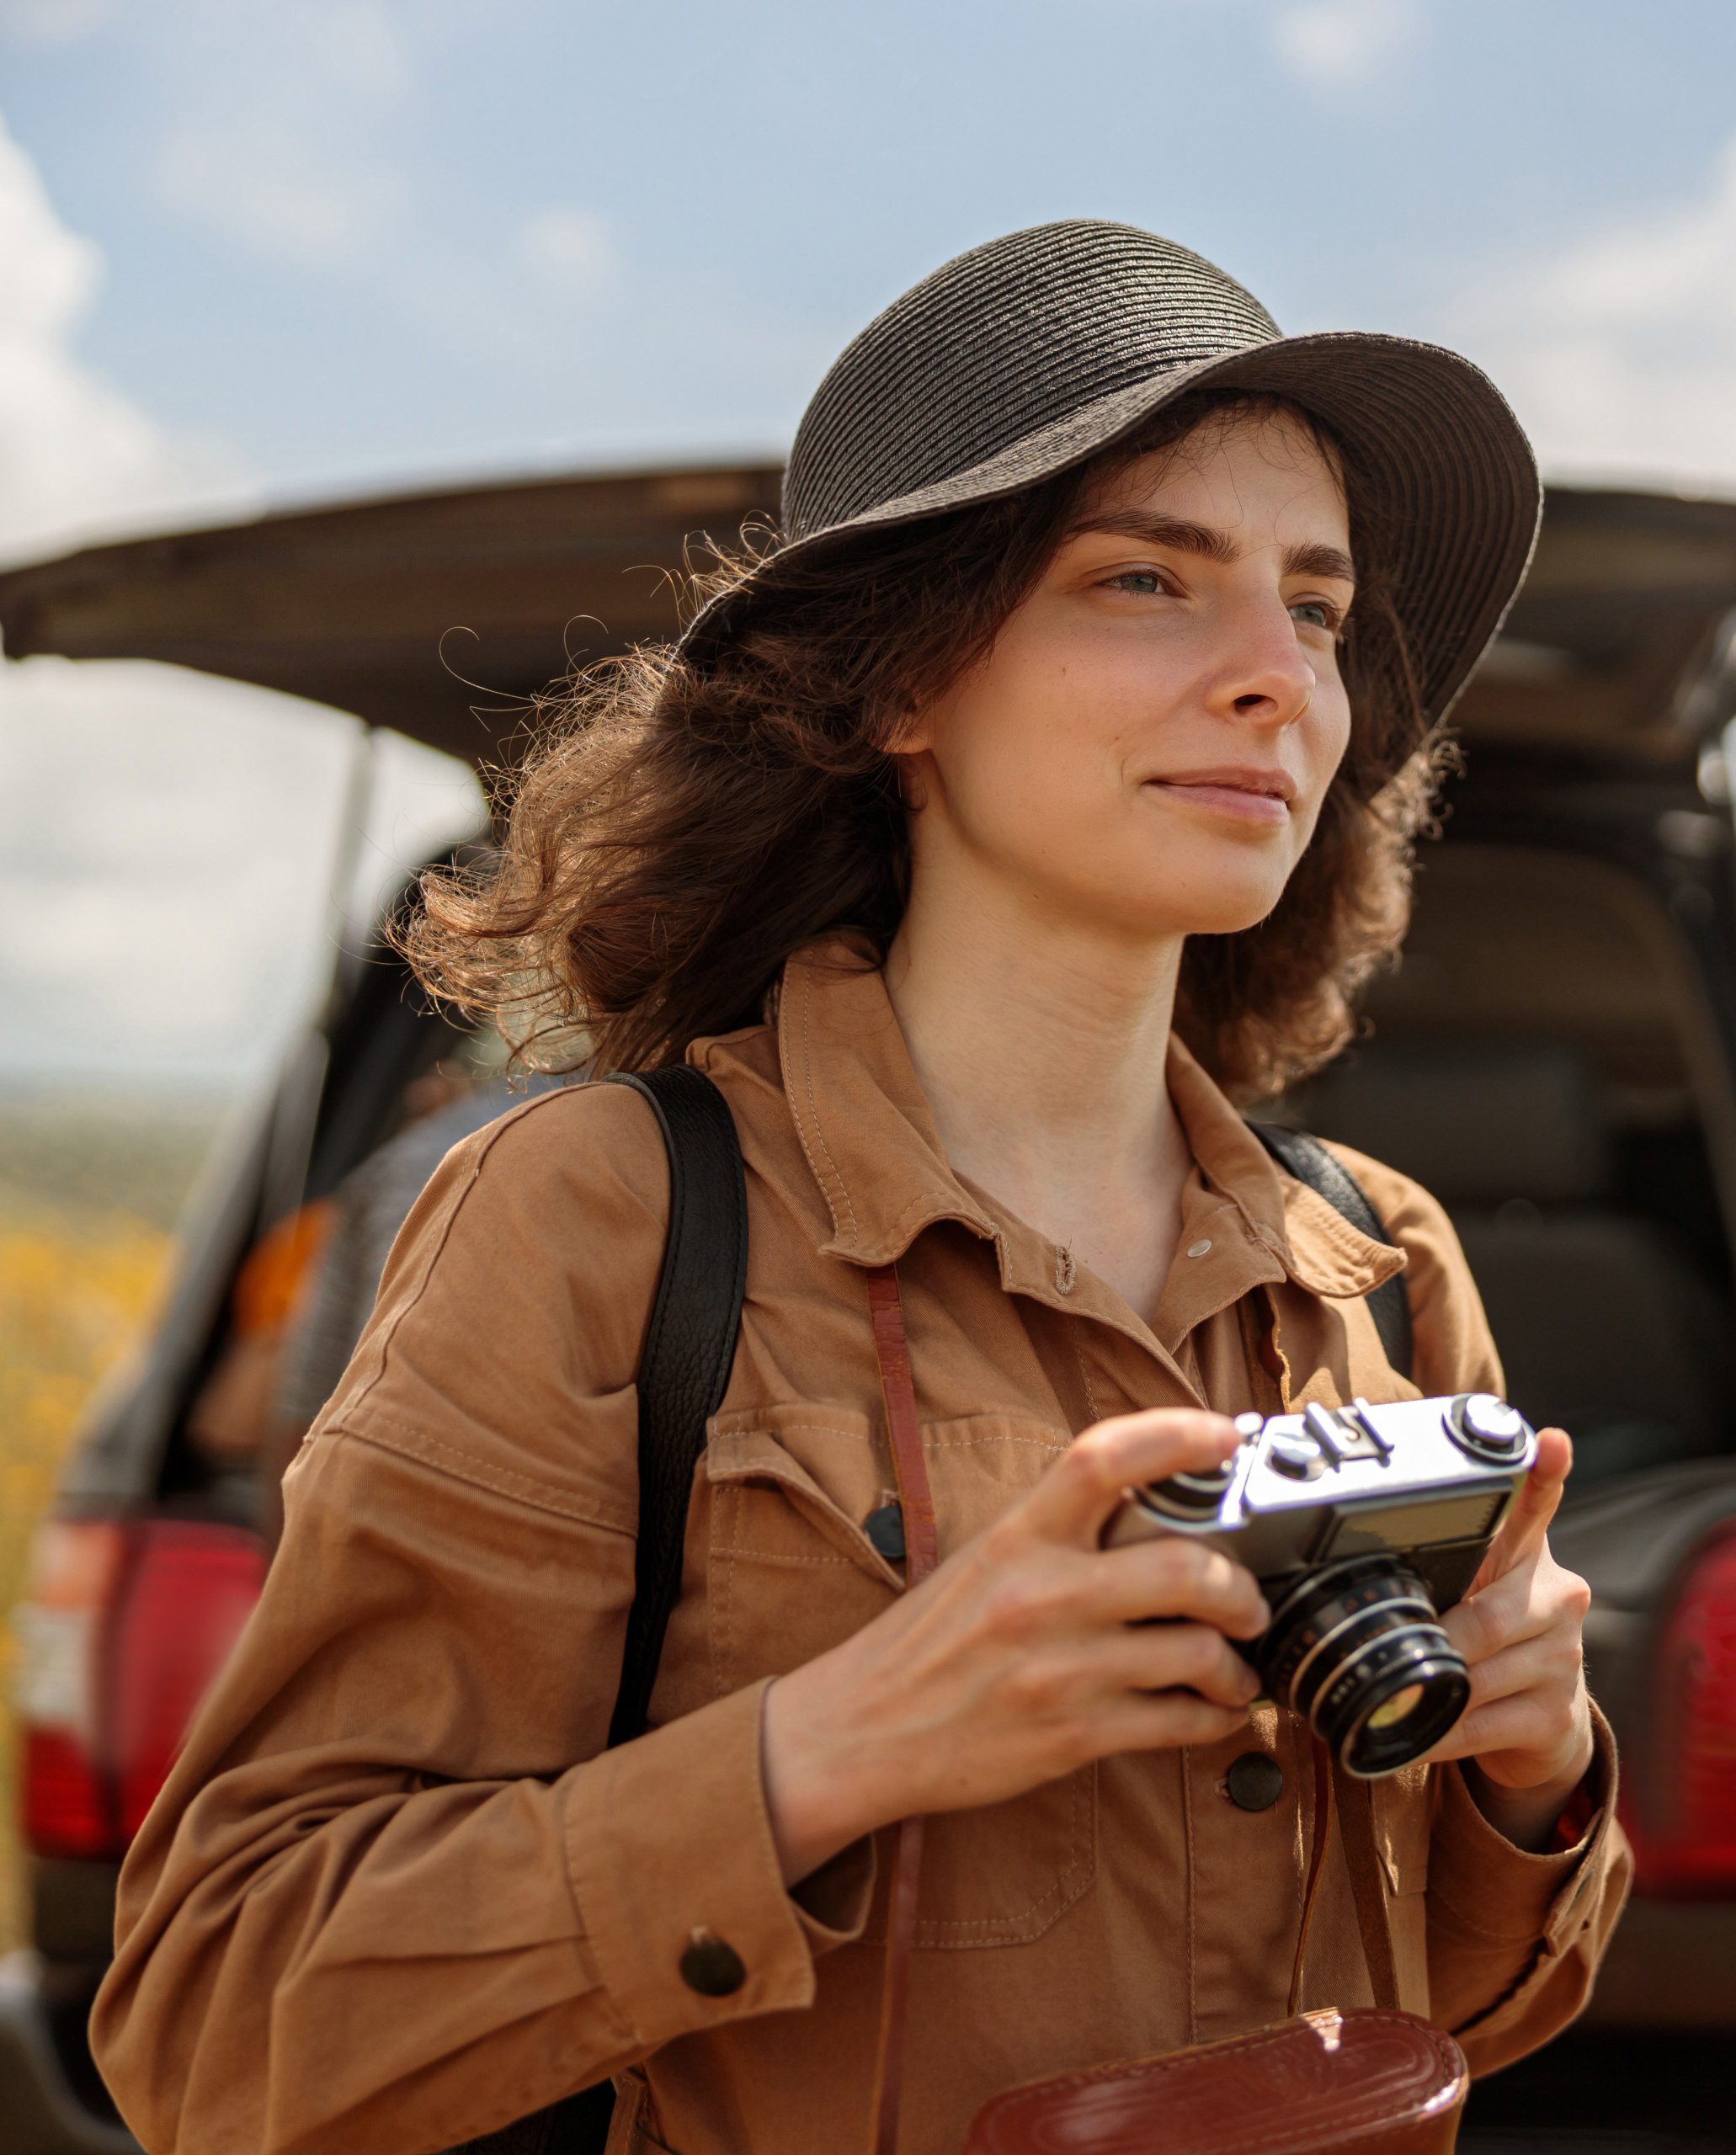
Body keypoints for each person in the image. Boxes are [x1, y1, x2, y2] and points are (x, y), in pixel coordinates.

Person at [91, 221, 1629, 2155]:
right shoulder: (599, 1219)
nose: (1274, 678)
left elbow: (1484, 2006)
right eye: (1146, 578)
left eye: (1314, 610)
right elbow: (218, 2028)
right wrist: (828, 1750)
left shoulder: (1380, 1264)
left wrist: (1534, 1771)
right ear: (901, 682)